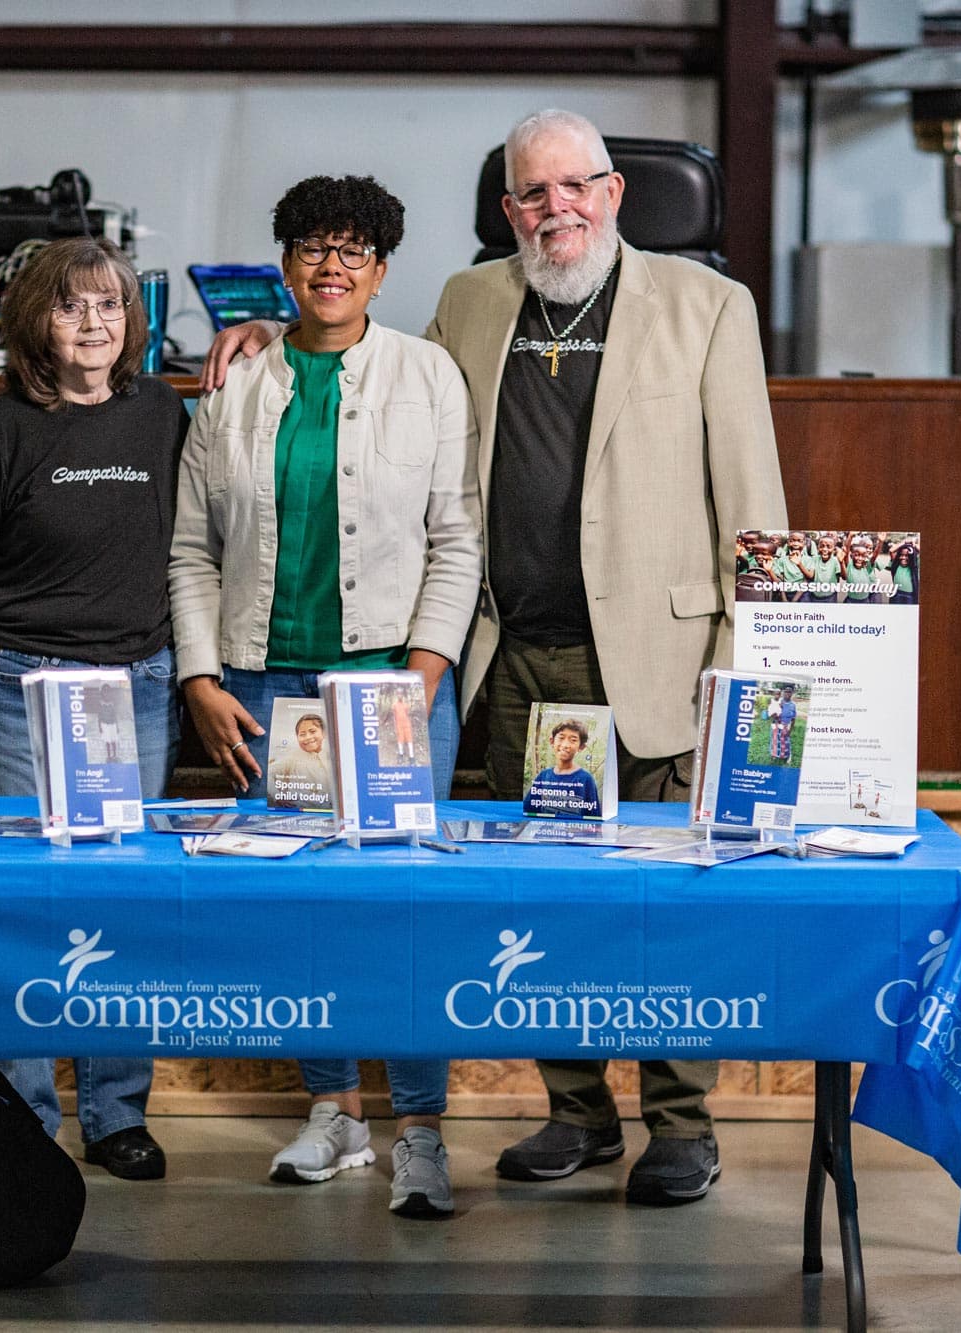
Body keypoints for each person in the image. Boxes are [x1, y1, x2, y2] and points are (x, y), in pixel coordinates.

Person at [204, 110, 787, 1207]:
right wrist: (251, 337)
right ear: (506, 209)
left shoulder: (708, 307)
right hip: (513, 657)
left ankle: (680, 1122)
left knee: (659, 912)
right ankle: (577, 1113)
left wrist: (736, 671)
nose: (553, 208)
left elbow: (752, 505)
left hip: (659, 660)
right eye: (530, 193)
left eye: (574, 187)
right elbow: (372, 387)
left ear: (614, 194)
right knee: (546, 902)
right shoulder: (468, 304)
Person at [171, 173, 481, 1219]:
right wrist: (203, 679)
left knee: (406, 908)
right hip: (269, 683)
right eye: (312, 248)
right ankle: (336, 1112)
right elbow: (190, 552)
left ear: (381, 270)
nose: (331, 267)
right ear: (286, 265)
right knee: (303, 905)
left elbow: (455, 539)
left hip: (393, 679)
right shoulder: (237, 384)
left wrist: (421, 678)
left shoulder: (427, 375)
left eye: (353, 251)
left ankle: (422, 1132)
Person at [0, 234, 187, 1182]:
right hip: (13, 687)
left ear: (132, 320)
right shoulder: (1, 426)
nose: (94, 323)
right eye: (73, 306)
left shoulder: (161, 412)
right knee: (24, 903)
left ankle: (117, 1114)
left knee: (116, 901)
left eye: (111, 305)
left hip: (132, 687)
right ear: (38, 320)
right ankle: (28, 1118)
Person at [529, 719, 600, 815]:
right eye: (561, 738)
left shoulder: (586, 779)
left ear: (581, 747)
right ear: (552, 741)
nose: (565, 745)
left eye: (573, 740)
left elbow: (594, 816)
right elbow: (530, 810)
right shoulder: (543, 776)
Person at [267, 711, 333, 807]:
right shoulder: (292, 757)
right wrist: (277, 796)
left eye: (312, 731)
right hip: (299, 809)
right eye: (302, 734)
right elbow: (268, 773)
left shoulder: (331, 756)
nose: (308, 737)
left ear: (324, 733)